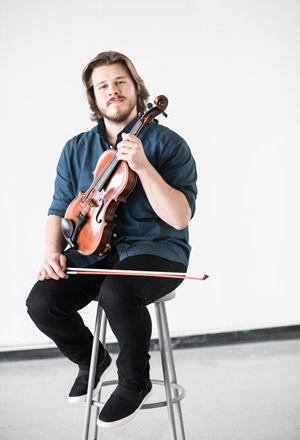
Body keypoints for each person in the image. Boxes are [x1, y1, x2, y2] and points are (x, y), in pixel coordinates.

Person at [26, 50, 197, 429]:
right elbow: (58, 210)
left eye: (120, 82)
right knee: (42, 302)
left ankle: (135, 382)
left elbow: (179, 216)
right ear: (94, 96)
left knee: (116, 293)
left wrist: (143, 167)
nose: (112, 91)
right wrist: (52, 252)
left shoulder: (169, 145)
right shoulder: (75, 149)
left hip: (158, 250)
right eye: (102, 85)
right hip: (92, 248)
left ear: (135, 87)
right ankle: (93, 360)